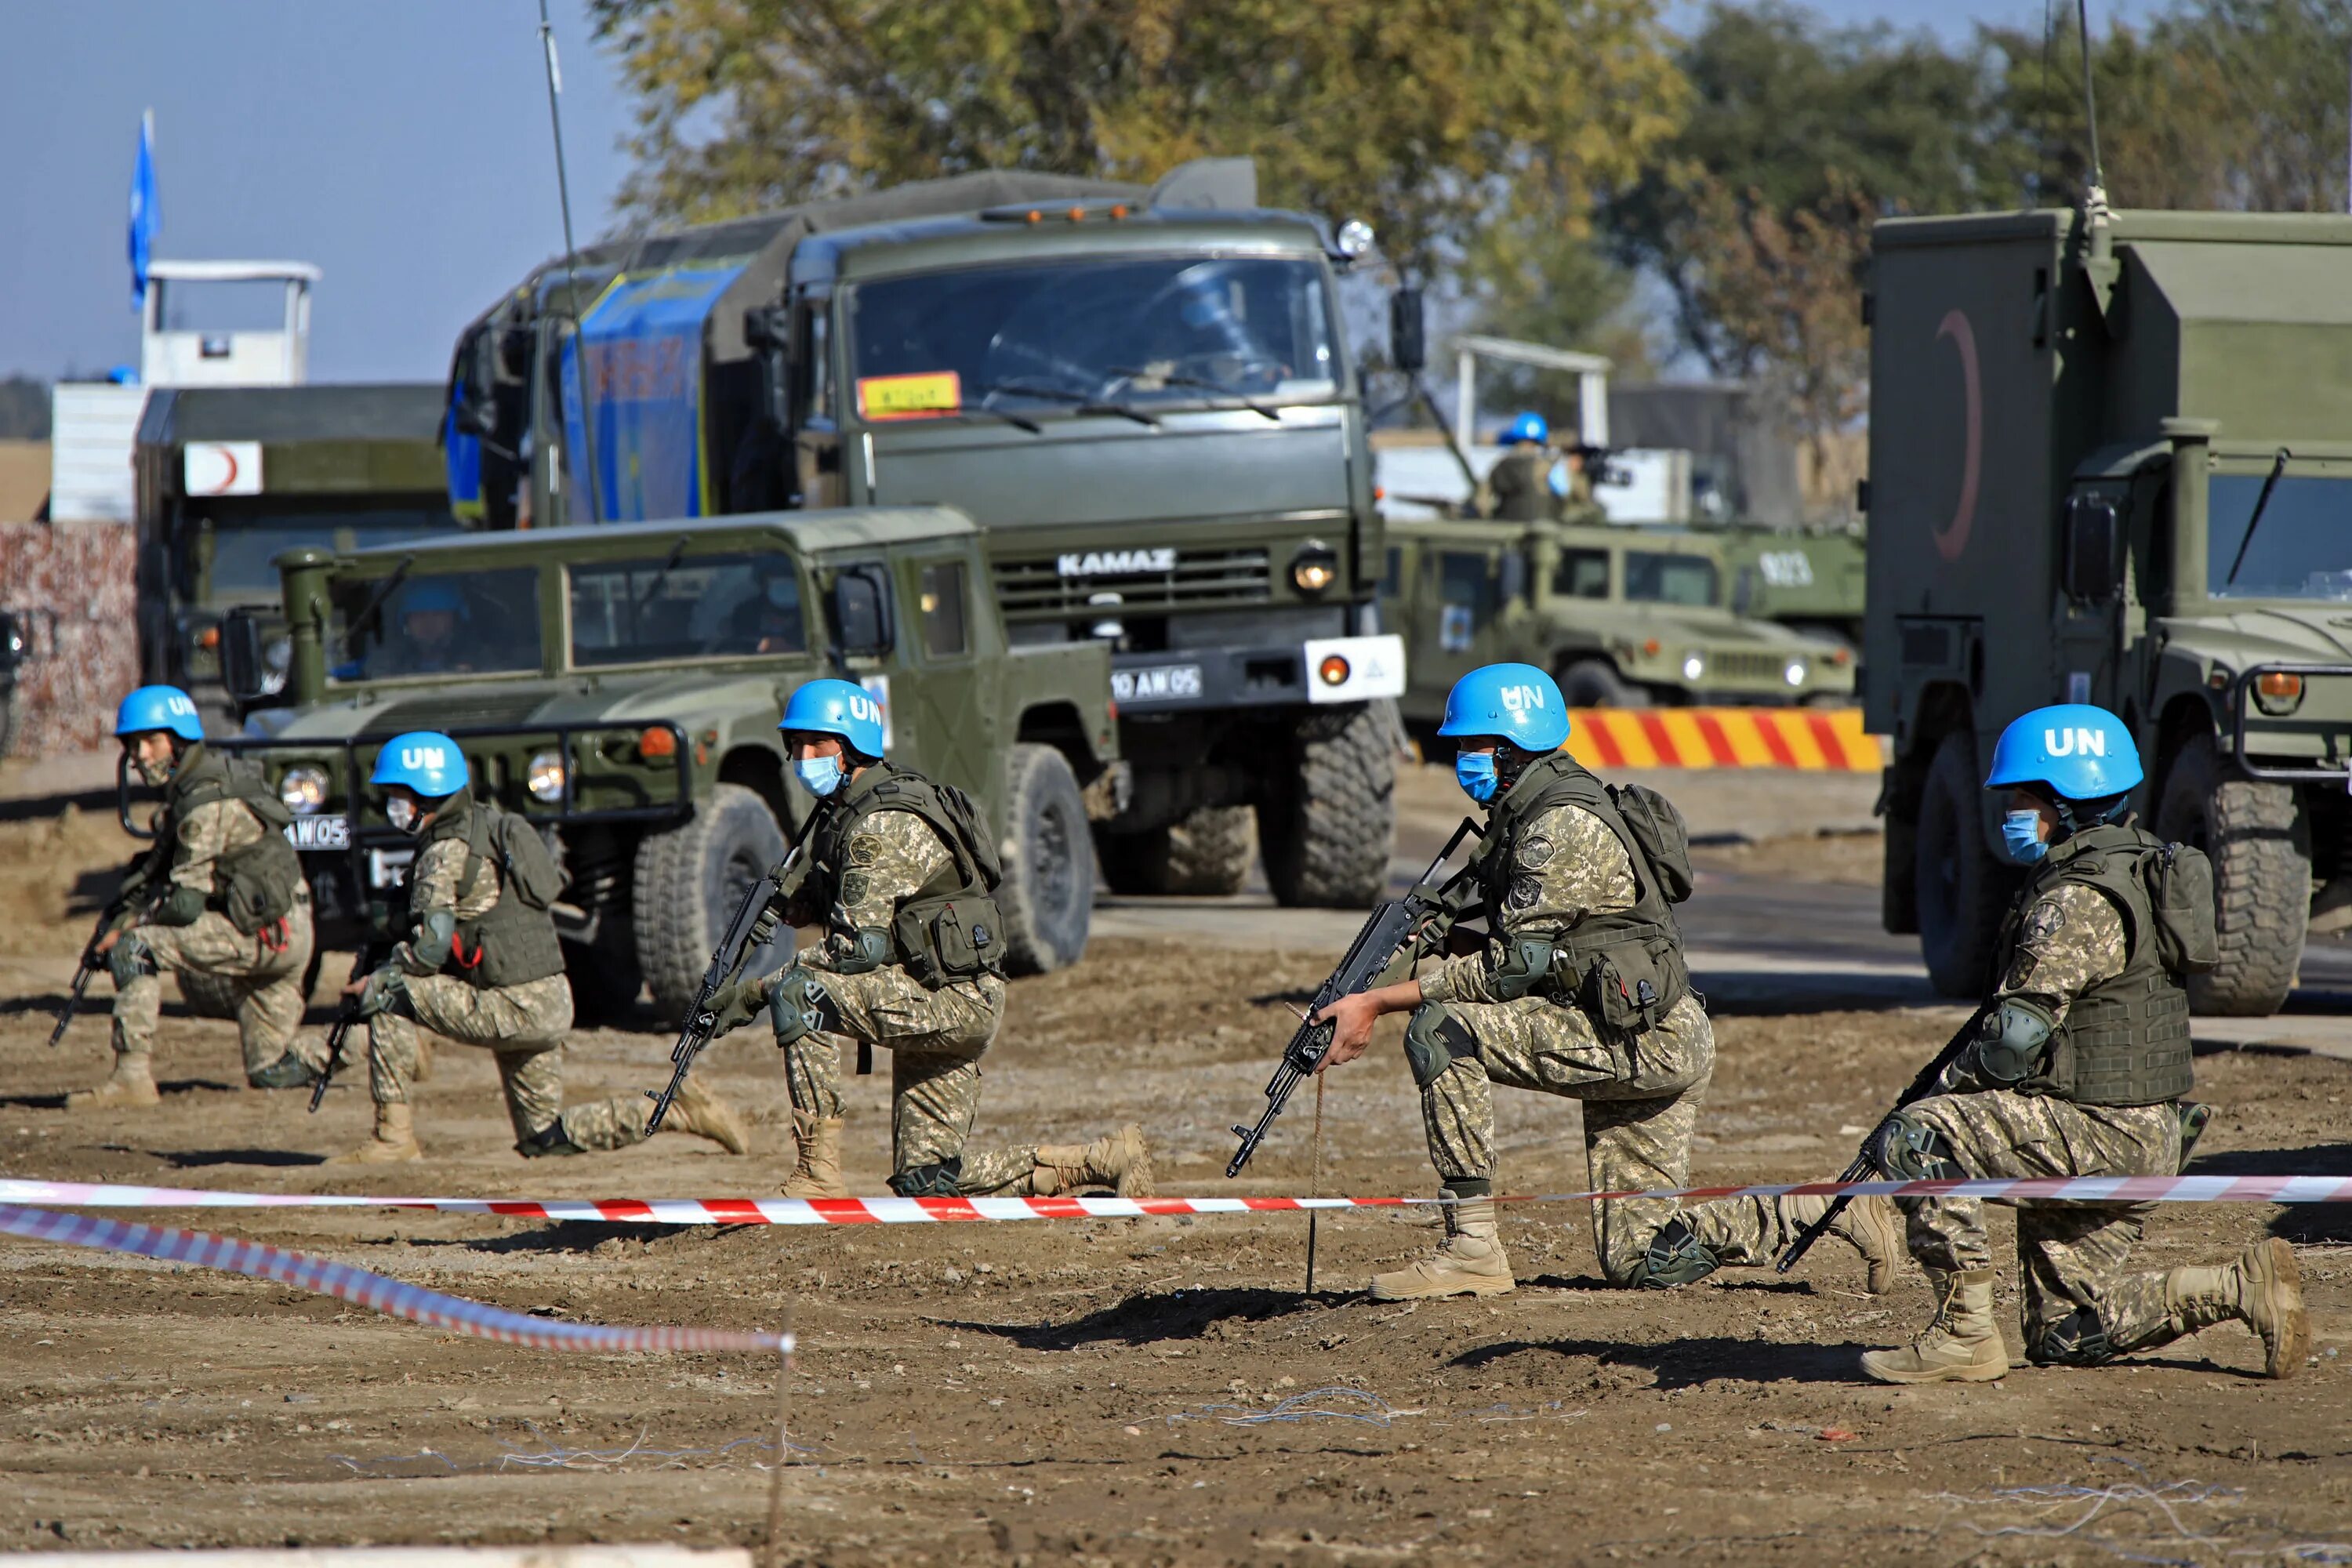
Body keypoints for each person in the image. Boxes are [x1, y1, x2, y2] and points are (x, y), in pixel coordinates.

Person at [1314, 663, 1900, 1298]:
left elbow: (1512, 971)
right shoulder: (1528, 811)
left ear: (1510, 749)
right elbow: (1544, 950)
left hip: (1642, 1042)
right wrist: (1431, 947)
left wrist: (1379, 1002)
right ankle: (1819, 1210)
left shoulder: (1557, 828)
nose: (1460, 760)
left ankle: (1472, 1248)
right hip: (1629, 1029)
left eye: (1470, 747)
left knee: (1441, 1029)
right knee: (1644, 1261)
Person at [1857, 703, 2307, 1383]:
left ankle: (1964, 1336)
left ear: (2064, 804)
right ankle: (2240, 1286)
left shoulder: (2076, 899)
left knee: (1920, 1137)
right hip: (2131, 1126)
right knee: (2066, 1334)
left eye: (2021, 796)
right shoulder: (2138, 866)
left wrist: (1933, 1102)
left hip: (2099, 1129)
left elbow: (2010, 1044)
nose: (2009, 810)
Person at [706, 679, 1152, 1200]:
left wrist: (757, 993)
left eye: (817, 744)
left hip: (948, 1002)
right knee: (927, 1183)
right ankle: (1097, 1163)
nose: (802, 757)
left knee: (799, 992)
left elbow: (857, 951)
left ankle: (817, 1175)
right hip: (944, 993)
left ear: (850, 749)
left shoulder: (878, 825)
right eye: (796, 745)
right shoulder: (859, 807)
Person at [334, 731, 750, 1163]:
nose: (392, 807)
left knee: (386, 995)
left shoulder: (444, 851)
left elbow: (431, 950)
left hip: (510, 1006)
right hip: (546, 999)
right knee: (544, 1139)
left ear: (427, 795)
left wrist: (383, 973)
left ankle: (392, 1138)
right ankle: (671, 1111)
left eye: (399, 795)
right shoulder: (491, 826)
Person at [70, 684, 319, 1109]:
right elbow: (156, 874)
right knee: (271, 1072)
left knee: (136, 948)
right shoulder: (199, 786)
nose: (140, 755)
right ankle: (379, 1042)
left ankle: (131, 1077)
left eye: (150, 741)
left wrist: (130, 927)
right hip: (280, 930)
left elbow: (185, 906)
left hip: (265, 934)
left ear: (179, 740)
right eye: (133, 745)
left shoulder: (204, 801)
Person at [1486, 412, 1559, 523]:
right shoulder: (1547, 466)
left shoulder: (1501, 465)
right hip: (1543, 531)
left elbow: (1484, 502)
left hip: (1508, 531)